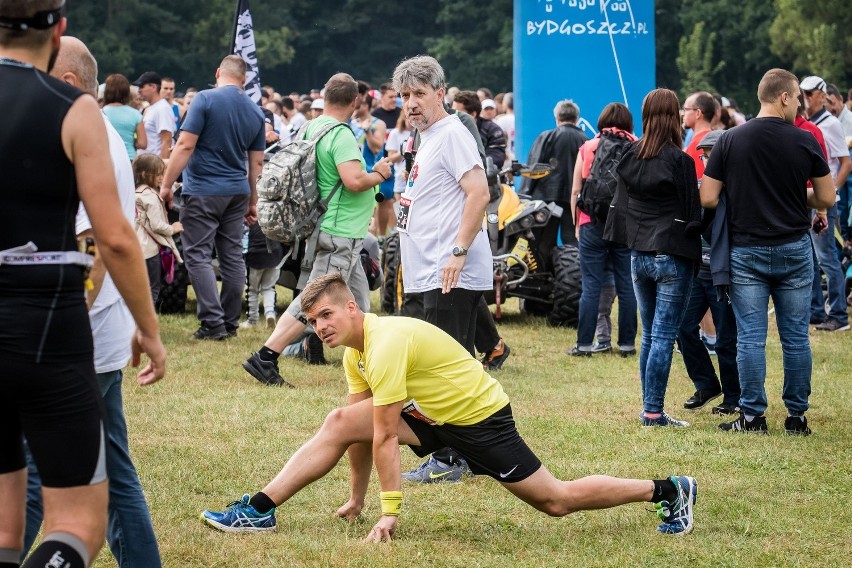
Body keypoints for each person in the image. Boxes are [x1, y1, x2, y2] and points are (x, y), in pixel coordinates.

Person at [201, 273, 697, 540]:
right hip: (434, 416)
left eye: (327, 314)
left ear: (352, 306)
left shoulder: (385, 341)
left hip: (481, 421)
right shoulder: (355, 352)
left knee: (556, 502)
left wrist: (389, 511)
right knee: (340, 420)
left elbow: (383, 434)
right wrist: (356, 500)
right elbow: (357, 430)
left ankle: (669, 489)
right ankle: (260, 509)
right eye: (312, 322)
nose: (321, 327)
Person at [0, 4, 166, 567]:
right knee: (78, 517)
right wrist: (150, 328)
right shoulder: (70, 111)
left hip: (60, 329)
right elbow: (114, 240)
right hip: (49, 324)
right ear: (57, 28)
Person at [700, 68, 834, 435]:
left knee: (751, 337)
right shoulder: (804, 141)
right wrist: (797, 195)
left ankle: (753, 416)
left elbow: (708, 197)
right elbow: (826, 197)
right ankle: (796, 417)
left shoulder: (728, 141)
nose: (799, 108)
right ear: (784, 97)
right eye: (798, 100)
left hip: (745, 251)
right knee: (795, 337)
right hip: (793, 248)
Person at [241, 72, 392, 387]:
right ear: (355, 101)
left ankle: (370, 364)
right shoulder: (341, 134)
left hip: (333, 229)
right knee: (313, 299)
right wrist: (378, 173)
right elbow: (352, 180)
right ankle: (267, 355)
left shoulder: (311, 126)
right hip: (339, 231)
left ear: (324, 98)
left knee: (359, 300)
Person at [604, 88, 703, 428]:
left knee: (650, 336)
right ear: (674, 116)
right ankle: (653, 411)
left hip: (639, 254)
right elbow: (694, 214)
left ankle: (650, 407)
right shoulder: (680, 161)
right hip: (672, 255)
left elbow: (621, 207)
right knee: (661, 336)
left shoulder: (630, 154)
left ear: (646, 115)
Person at [159, 55, 266, 340]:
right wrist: (252, 200)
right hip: (237, 192)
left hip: (203, 189)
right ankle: (230, 321)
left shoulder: (204, 100)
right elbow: (256, 164)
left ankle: (213, 323)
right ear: (243, 80)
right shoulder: (256, 112)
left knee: (198, 254)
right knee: (232, 256)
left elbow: (184, 145)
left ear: (218, 72)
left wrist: (167, 185)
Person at [675, 130, 741, 416]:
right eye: (703, 156)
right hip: (698, 271)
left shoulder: (739, 190)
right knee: (682, 326)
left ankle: (734, 397)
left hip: (725, 271)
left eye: (709, 155)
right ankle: (706, 384)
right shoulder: (700, 186)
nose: (705, 160)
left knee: (727, 338)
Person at [568, 102, 637, 357]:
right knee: (627, 285)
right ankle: (627, 344)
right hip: (625, 225)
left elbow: (576, 190)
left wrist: (577, 224)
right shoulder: (637, 145)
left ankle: (584, 344)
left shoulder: (588, 146)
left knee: (591, 285)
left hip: (591, 222)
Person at [800, 75, 852, 332]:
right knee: (812, 258)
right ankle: (818, 311)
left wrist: (831, 191)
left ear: (823, 95)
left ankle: (839, 315)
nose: (807, 98)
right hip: (814, 197)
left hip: (822, 199)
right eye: (804, 94)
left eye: (811, 94)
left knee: (827, 257)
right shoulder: (811, 122)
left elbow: (845, 162)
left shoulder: (829, 124)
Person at [523, 99, 588, 245]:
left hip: (546, 197)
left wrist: (525, 195)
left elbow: (533, 169)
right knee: (572, 241)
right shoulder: (585, 140)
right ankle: (573, 268)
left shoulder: (546, 137)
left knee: (544, 241)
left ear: (557, 118)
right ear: (576, 118)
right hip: (575, 198)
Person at [133, 153, 182, 304]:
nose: (163, 177)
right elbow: (156, 225)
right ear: (144, 174)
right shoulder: (151, 197)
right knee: (153, 289)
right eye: (159, 173)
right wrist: (173, 228)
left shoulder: (137, 192)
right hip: (150, 249)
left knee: (138, 289)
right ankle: (147, 323)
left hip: (136, 246)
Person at [240, 222, 285, 329]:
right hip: (275, 252)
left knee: (252, 289)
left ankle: (252, 320)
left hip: (255, 254)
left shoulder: (248, 215)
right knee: (269, 288)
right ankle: (270, 313)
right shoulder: (270, 212)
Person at [452, 89, 507, 169]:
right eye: (452, 112)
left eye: (458, 113)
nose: (453, 116)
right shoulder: (449, 129)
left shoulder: (493, 130)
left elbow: (496, 157)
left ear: (473, 114)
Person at [102, 74, 146, 160]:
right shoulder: (136, 114)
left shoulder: (101, 112)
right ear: (127, 92)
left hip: (108, 157)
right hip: (129, 157)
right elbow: (143, 144)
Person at [132, 71, 174, 160]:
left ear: (153, 87)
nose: (139, 90)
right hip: (145, 163)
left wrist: (162, 167)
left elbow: (166, 140)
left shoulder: (162, 108)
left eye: (142, 86)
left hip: (154, 166)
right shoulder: (149, 108)